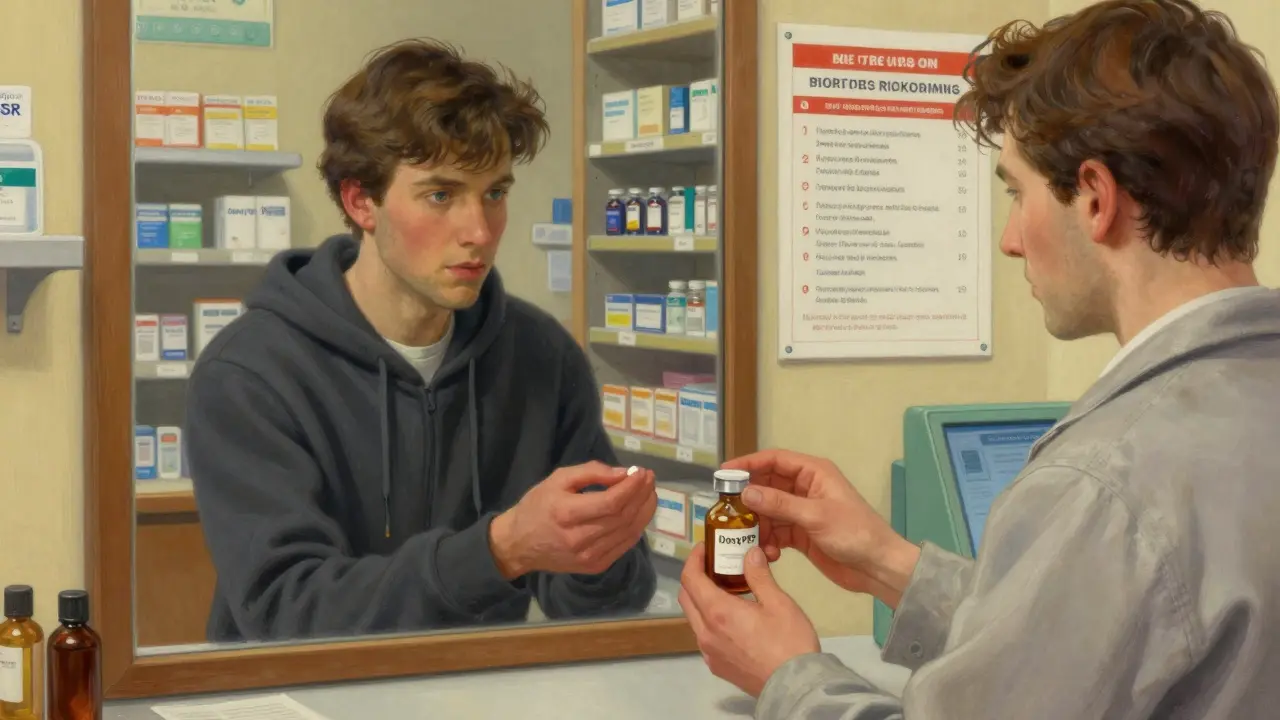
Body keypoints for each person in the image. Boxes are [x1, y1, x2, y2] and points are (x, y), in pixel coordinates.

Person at [679, 1, 1280, 717]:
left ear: (1094, 199)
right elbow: (1110, 638)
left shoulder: (1106, 483)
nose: (1009, 241)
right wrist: (888, 564)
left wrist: (788, 675)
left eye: (1015, 193)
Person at [184, 38, 658, 643]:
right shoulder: (249, 374)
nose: (479, 231)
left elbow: (594, 610)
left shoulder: (540, 356)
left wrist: (604, 547)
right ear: (362, 202)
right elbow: (287, 613)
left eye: (494, 193)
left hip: (476, 696)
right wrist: (497, 551)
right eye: (441, 195)